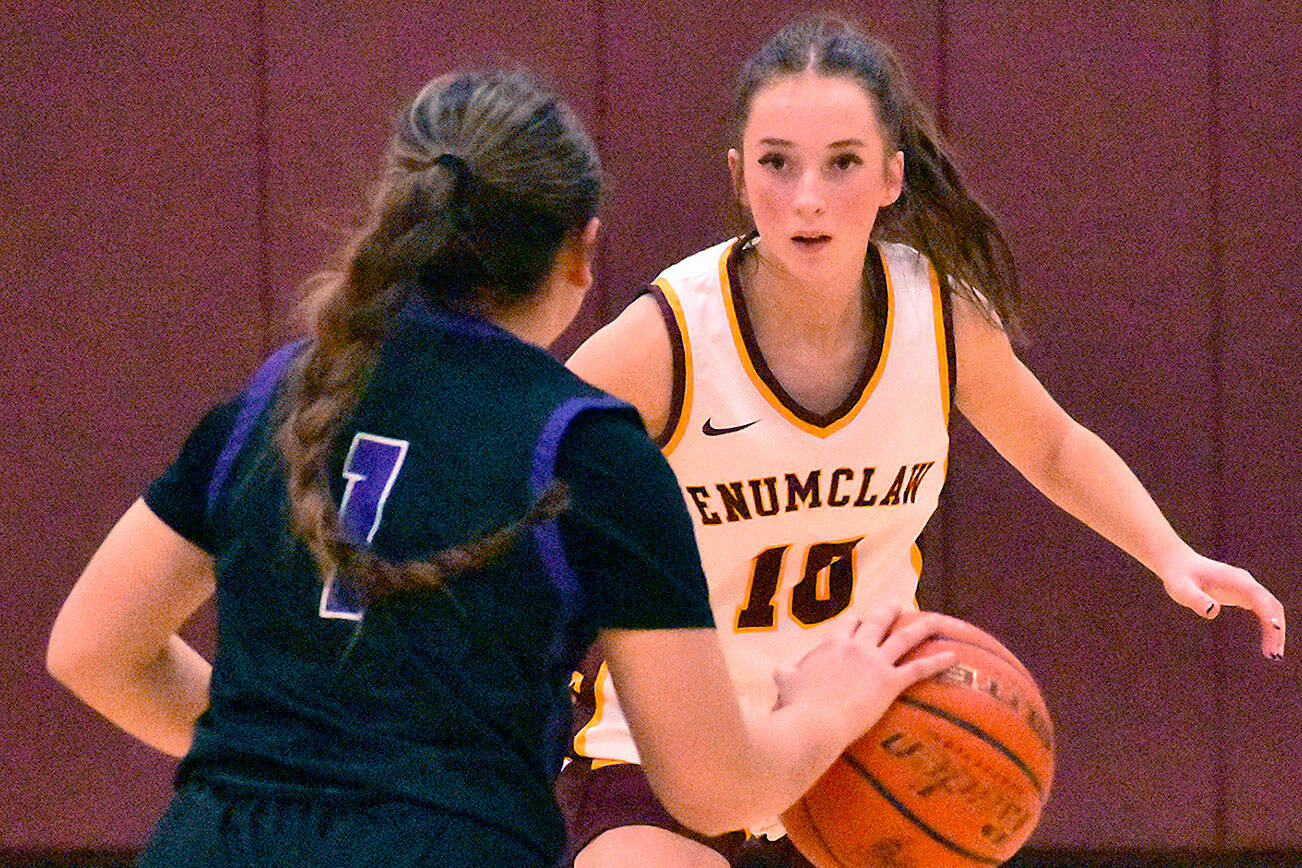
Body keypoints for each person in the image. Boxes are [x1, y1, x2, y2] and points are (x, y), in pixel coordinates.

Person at [45, 69, 959, 867]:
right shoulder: (585, 450)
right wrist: (829, 707)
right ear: (580, 251)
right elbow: (715, 792)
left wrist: (291, 749)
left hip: (212, 843)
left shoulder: (276, 395)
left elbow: (93, 650)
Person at [558, 16, 1288, 868]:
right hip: (674, 755)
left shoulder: (937, 317)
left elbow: (1052, 446)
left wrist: (1168, 552)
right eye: (776, 161)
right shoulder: (667, 338)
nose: (807, 197)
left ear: (892, 175)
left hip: (870, 741)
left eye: (843, 162)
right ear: (737, 172)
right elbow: (523, 479)